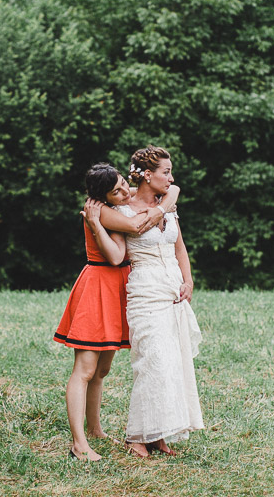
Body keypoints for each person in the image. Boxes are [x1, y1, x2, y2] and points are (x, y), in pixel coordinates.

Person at [54, 163, 180, 461]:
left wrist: (171, 190)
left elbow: (170, 190)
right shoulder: (104, 212)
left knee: (102, 370)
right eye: (117, 190)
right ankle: (79, 443)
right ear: (102, 197)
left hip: (117, 288)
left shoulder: (120, 200)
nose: (125, 192)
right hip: (99, 286)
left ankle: (95, 429)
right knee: (84, 370)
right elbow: (118, 253)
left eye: (125, 184)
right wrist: (97, 225)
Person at [116, 146, 203, 458]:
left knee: (173, 364)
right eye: (166, 172)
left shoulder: (168, 204)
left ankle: (158, 434)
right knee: (152, 361)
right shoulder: (124, 209)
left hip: (172, 291)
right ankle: (136, 435)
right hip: (144, 289)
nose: (171, 177)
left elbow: (179, 247)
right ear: (147, 175)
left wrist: (188, 280)